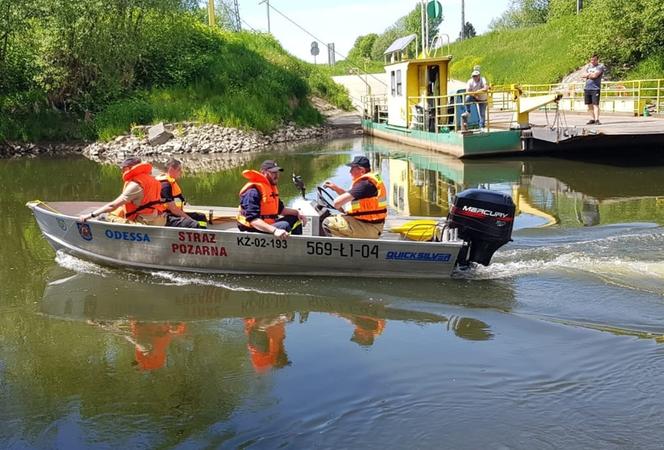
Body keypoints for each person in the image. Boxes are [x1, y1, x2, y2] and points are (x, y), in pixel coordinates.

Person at [79, 156, 166, 225]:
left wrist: (90, 215)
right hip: (158, 220)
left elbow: (112, 206)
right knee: (120, 211)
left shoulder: (135, 185)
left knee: (103, 216)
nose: (122, 171)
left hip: (145, 224)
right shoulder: (153, 180)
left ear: (129, 168)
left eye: (123, 169)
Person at [322, 155, 387, 239]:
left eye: (352, 168)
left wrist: (342, 210)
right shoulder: (368, 183)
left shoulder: (364, 185)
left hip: (368, 227)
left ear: (362, 170)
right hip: (371, 225)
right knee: (337, 218)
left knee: (327, 222)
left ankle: (343, 249)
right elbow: (350, 197)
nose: (350, 171)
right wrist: (336, 188)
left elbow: (336, 203)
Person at [237, 160, 306, 238]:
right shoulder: (252, 192)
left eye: (277, 172)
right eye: (273, 172)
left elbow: (281, 210)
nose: (277, 175)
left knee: (295, 218)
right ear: (263, 172)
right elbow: (253, 220)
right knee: (284, 226)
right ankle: (289, 248)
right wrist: (275, 230)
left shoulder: (270, 189)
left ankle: (297, 245)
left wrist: (298, 212)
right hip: (252, 228)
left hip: (267, 224)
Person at [156, 158, 207, 229]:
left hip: (173, 213)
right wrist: (189, 218)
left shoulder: (171, 183)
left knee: (201, 216)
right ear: (171, 169)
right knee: (193, 224)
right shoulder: (165, 185)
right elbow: (173, 209)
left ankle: (205, 234)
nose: (181, 172)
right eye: (179, 169)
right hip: (165, 216)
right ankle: (198, 236)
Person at [582, 54, 606, 125]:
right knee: (589, 105)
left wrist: (588, 75)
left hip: (595, 88)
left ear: (597, 60)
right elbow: (582, 75)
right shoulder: (588, 67)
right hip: (587, 88)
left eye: (594, 60)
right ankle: (592, 118)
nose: (592, 61)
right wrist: (590, 75)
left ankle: (597, 119)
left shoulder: (600, 67)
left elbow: (595, 76)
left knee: (595, 104)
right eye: (591, 60)